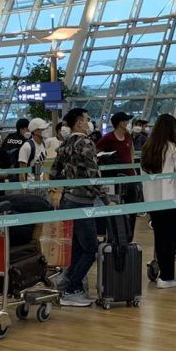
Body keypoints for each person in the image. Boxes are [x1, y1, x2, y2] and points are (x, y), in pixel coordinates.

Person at [50, 108, 109, 306]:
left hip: (68, 199)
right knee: (90, 248)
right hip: (82, 202)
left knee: (76, 248)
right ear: (78, 123)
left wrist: (66, 184)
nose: (89, 122)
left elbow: (54, 172)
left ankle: (66, 283)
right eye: (86, 119)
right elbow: (94, 174)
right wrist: (106, 199)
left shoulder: (65, 143)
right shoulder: (86, 143)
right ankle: (72, 288)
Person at [140, 114, 176, 289]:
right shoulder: (175, 149)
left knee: (159, 237)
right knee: (170, 238)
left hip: (152, 201)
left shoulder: (147, 149)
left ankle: (163, 272)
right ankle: (167, 276)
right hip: (171, 200)